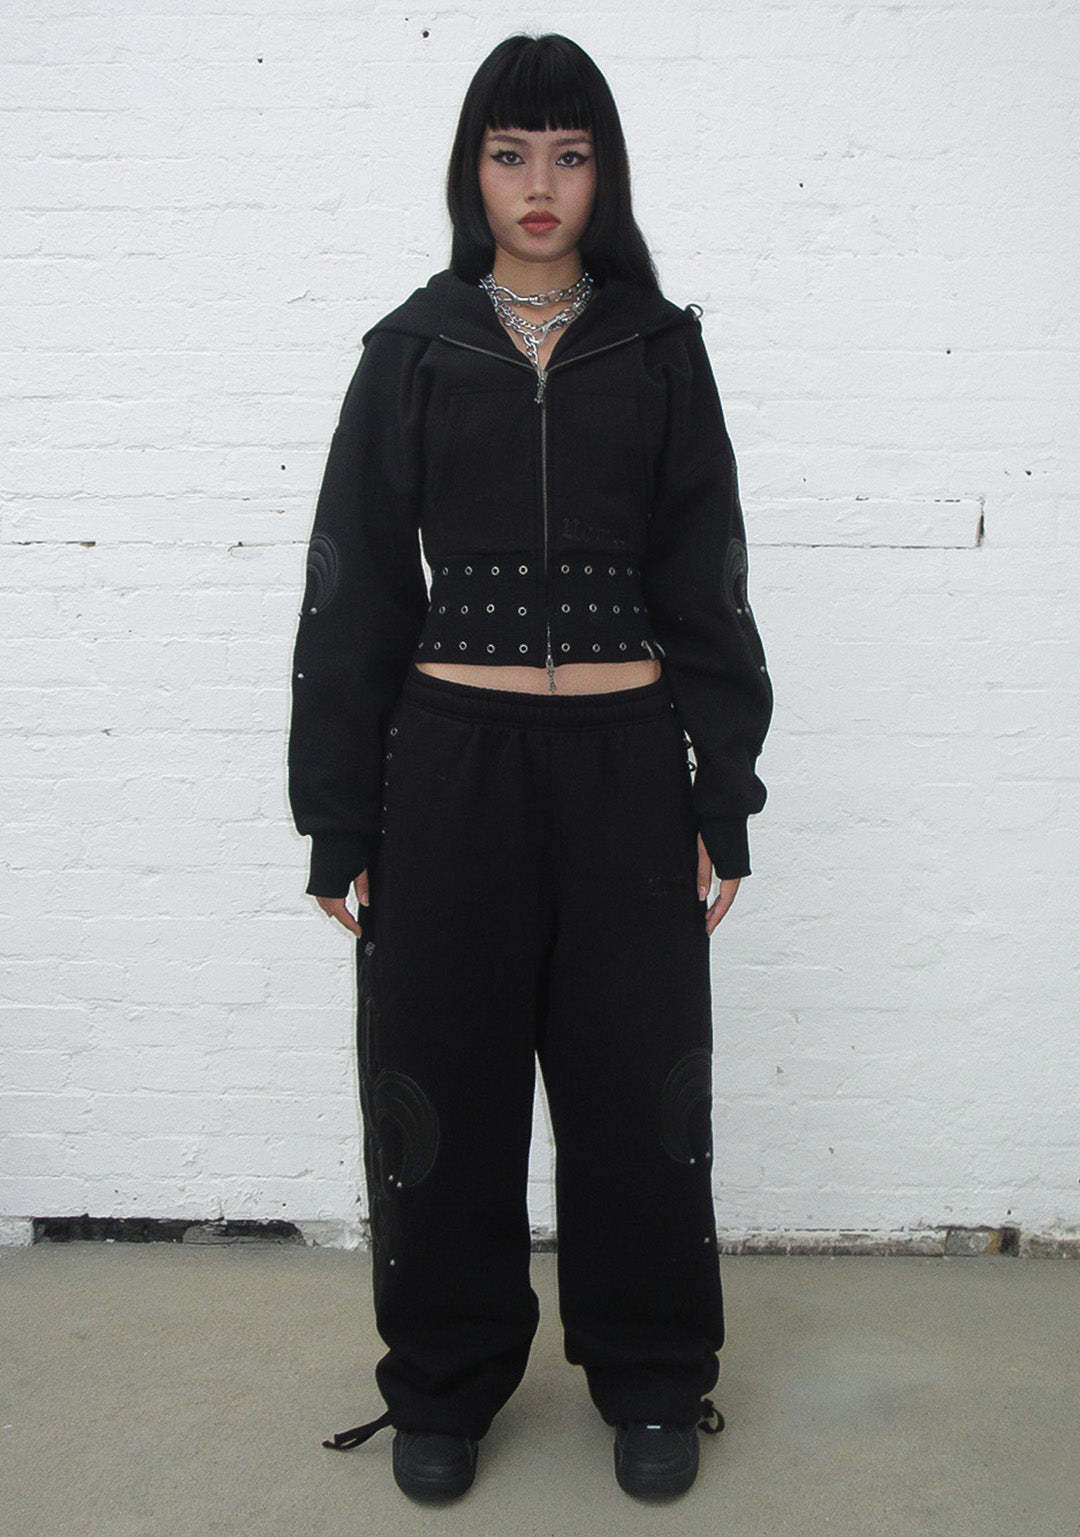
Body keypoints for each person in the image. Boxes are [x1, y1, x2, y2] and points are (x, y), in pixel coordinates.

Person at [287, 32, 773, 1504]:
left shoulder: (658, 349)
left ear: (605, 172)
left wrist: (722, 790)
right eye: (511, 154)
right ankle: (443, 1379)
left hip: (626, 770)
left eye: (569, 154)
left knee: (640, 1093)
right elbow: (353, 589)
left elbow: (709, 578)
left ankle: (653, 1374)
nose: (539, 183)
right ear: (473, 172)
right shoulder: (413, 350)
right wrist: (337, 817)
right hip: (449, 773)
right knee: (442, 1085)